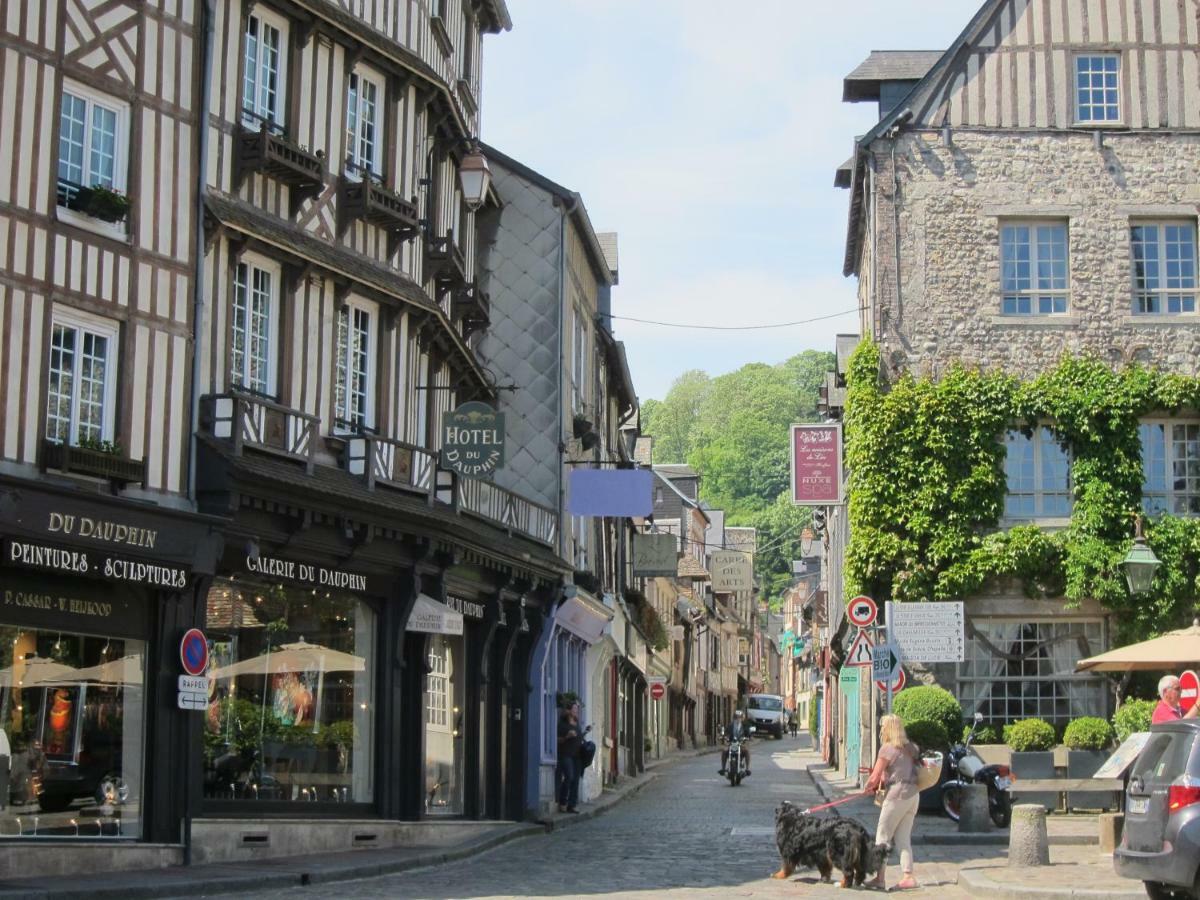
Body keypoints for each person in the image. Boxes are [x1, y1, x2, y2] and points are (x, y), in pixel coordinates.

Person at [864, 714, 920, 891]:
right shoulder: (911, 747)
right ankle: (908, 876)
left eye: (883, 727)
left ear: (889, 729)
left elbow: (874, 776)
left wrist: (866, 788)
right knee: (903, 838)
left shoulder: (887, 749)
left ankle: (880, 878)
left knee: (882, 836)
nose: (881, 730)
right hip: (913, 795)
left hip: (896, 795)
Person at [556, 701, 583, 813]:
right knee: (569, 777)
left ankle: (571, 805)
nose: (576, 711)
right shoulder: (562, 724)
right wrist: (567, 736)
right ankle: (562, 802)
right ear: (569, 710)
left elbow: (579, 738)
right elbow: (556, 740)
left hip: (577, 755)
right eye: (574, 709)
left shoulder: (577, 724)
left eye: (577, 709)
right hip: (566, 754)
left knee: (576, 780)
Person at [717, 709, 752, 776]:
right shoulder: (730, 725)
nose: (738, 719)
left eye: (739, 717)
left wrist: (748, 737)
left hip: (741, 745)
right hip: (731, 744)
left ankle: (747, 769)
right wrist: (724, 737)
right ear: (734, 718)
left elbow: (748, 734)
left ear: (742, 718)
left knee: (747, 751)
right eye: (736, 717)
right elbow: (726, 733)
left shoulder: (745, 726)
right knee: (724, 751)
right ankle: (723, 769)